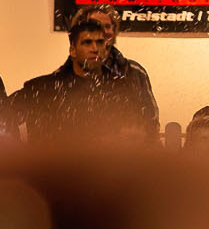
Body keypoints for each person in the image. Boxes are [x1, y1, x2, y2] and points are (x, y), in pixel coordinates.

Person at [9, 9, 160, 143]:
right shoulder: (45, 88)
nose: (94, 48)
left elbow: (148, 128)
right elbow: (7, 116)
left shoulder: (127, 83)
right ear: (73, 49)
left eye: (99, 41)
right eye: (87, 42)